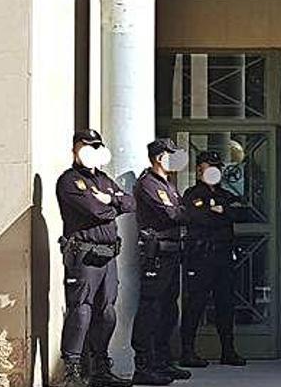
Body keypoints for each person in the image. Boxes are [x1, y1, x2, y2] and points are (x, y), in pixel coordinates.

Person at [56, 129, 135, 387]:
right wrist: (112, 206)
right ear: (75, 149)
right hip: (85, 255)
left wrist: (110, 199)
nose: (90, 149)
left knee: (107, 313)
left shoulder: (103, 180)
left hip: (108, 255)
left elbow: (130, 203)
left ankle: (100, 367)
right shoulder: (70, 181)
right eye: (85, 145)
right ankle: (73, 371)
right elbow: (95, 210)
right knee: (80, 312)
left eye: (95, 145)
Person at [131, 139, 190, 385]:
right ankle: (144, 365)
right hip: (157, 255)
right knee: (151, 309)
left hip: (172, 252)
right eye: (171, 154)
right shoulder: (148, 184)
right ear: (159, 157)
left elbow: (181, 212)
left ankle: (163, 361)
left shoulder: (168, 185)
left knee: (168, 309)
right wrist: (188, 213)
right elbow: (173, 214)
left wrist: (185, 213)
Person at [179, 151, 246, 367]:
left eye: (217, 166)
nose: (213, 171)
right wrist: (218, 213)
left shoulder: (225, 195)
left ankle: (228, 350)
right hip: (202, 256)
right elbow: (197, 218)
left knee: (225, 304)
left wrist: (222, 211)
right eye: (210, 166)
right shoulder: (192, 194)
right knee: (196, 304)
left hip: (224, 256)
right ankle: (187, 351)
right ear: (199, 169)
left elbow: (240, 212)